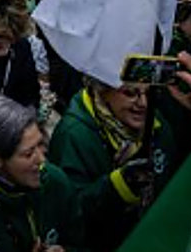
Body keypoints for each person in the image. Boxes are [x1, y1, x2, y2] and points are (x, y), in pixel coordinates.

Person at [48, 78, 178, 252]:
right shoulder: (73, 135)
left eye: (150, 93)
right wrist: (118, 186)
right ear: (103, 90)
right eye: (130, 93)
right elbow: (70, 213)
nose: (143, 103)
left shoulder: (157, 124)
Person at [0, 96, 84, 252]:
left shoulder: (54, 180)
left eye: (40, 144)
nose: (41, 159)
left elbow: (83, 242)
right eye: (28, 153)